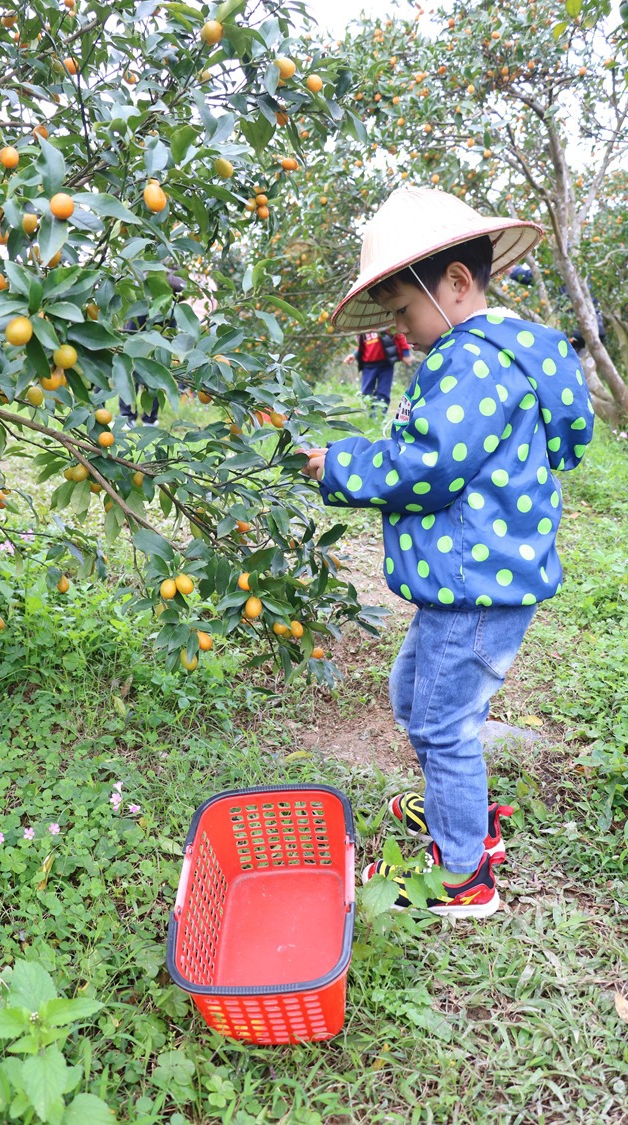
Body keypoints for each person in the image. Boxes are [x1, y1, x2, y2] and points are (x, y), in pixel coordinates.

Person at [301, 186, 594, 918]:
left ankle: (464, 870)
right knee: (416, 699)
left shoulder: (473, 362)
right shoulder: (509, 354)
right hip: (471, 584)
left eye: (403, 310)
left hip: (474, 589)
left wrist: (338, 465)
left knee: (441, 721)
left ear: (457, 285)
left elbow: (425, 463)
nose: (399, 329)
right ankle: (459, 810)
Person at [119, 272, 185, 425]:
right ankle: (128, 417)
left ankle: (148, 418)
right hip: (141, 325)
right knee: (131, 369)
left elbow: (181, 287)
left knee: (156, 373)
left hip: (162, 329)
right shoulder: (146, 300)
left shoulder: (171, 308)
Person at [346, 330, 413, 416]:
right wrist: (354, 355)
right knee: (366, 392)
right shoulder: (363, 327)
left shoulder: (384, 323)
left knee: (383, 392)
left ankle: (381, 415)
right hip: (368, 365)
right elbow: (362, 345)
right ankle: (372, 415)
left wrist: (406, 353)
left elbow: (399, 335)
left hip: (386, 363)